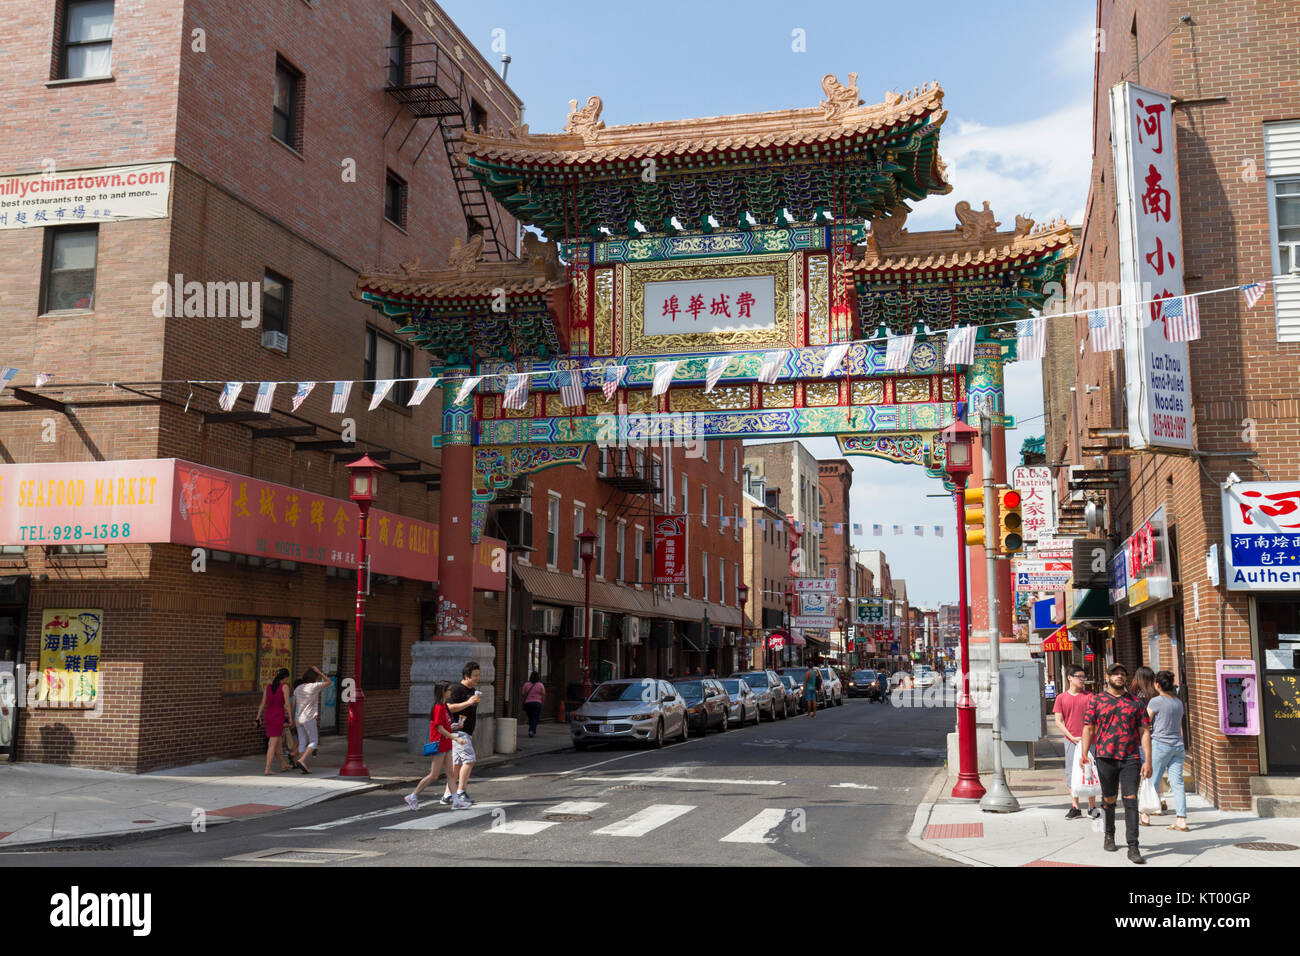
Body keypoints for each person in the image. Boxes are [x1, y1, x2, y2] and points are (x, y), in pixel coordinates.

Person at [1079, 662, 1153, 865]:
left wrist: (1148, 759)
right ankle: (1109, 834)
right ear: (1108, 677)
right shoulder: (1096, 700)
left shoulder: (1136, 702)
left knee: (1130, 800)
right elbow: (1088, 728)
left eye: (1122, 674)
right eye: (1115, 674)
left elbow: (1144, 731)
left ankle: (1133, 846)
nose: (1119, 677)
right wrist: (1084, 754)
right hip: (1105, 757)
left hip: (1130, 757)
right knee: (1109, 799)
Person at [406, 681, 464, 810]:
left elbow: (445, 726)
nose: (451, 692)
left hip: (446, 744)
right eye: (449, 689)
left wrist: (454, 726)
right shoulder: (438, 707)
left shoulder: (444, 707)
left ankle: (456, 801)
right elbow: (440, 729)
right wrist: (455, 738)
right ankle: (413, 796)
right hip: (439, 744)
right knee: (434, 775)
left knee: (450, 773)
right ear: (443, 692)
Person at [1144, 670, 1188, 831]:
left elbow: (1145, 721)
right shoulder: (1178, 702)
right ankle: (1181, 819)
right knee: (1177, 784)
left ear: (1157, 685)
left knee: (1151, 781)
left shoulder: (1156, 701)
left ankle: (1145, 815)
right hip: (1178, 745)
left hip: (1160, 744)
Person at [1053, 665, 1099, 820]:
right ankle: (1075, 806)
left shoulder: (1090, 696)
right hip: (1071, 741)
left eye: (1083, 677)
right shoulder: (1061, 698)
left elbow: (1096, 719)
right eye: (1079, 676)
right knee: (1071, 773)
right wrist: (1071, 736)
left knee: (1089, 771)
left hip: (1090, 741)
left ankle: (1092, 807)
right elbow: (1058, 721)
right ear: (1069, 677)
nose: (1082, 680)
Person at [442, 661, 483, 808]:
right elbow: (449, 708)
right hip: (458, 732)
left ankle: (447, 795)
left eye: (478, 675)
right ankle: (461, 792)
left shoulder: (473, 691)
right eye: (474, 676)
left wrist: (472, 700)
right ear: (466, 676)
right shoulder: (456, 689)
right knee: (470, 760)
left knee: (457, 765)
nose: (477, 678)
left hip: (465, 731)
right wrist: (468, 702)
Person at [291, 666, 332, 774]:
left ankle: (302, 765)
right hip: (309, 718)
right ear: (314, 677)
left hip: (298, 718)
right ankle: (302, 760)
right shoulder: (314, 686)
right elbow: (329, 682)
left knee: (302, 741)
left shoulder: (298, 688)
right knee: (314, 741)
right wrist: (320, 672)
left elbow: (294, 701)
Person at [255, 668, 294, 775]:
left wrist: (258, 717)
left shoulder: (268, 687)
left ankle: (283, 764)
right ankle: (267, 769)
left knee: (278, 742)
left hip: (268, 715)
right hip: (277, 716)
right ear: (286, 677)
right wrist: (290, 718)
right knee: (272, 743)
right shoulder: (284, 687)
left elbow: (262, 703)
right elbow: (286, 704)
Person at [521, 671, 545, 738]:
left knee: (531, 717)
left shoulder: (526, 684)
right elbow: (543, 694)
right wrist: (542, 702)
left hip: (528, 703)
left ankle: (531, 729)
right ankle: (532, 731)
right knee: (535, 718)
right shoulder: (540, 685)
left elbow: (523, 693)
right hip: (537, 703)